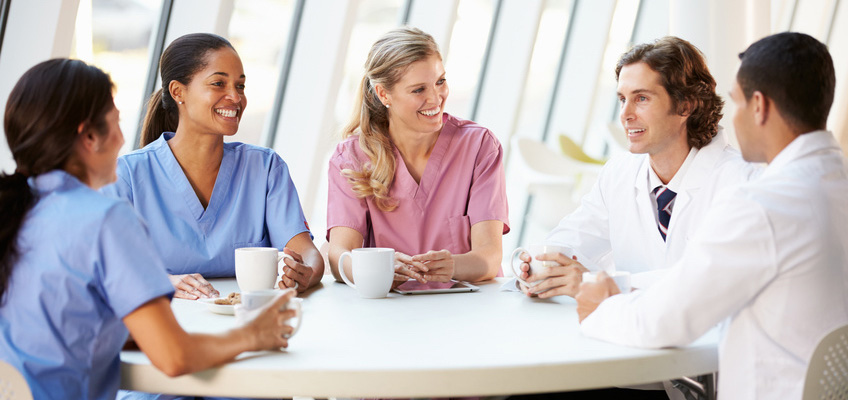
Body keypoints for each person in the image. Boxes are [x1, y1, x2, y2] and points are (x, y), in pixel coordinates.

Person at [0, 58, 298, 400]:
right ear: (90, 136)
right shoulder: (104, 218)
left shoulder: (18, 210)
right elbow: (174, 357)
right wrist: (253, 334)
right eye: (116, 123)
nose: (123, 138)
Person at [577, 32, 848, 400]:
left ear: (759, 106)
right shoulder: (834, 186)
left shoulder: (764, 204)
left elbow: (664, 323)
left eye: (735, 103)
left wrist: (599, 306)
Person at [516, 36, 758, 298]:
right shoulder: (619, 173)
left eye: (641, 98)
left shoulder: (742, 181)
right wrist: (534, 266)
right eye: (622, 99)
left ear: (685, 105)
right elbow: (572, 238)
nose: (625, 114)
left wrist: (597, 284)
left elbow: (711, 280)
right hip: (624, 331)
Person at [102, 33, 323, 299]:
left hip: (248, 320)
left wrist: (304, 272)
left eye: (240, 86)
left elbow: (306, 252)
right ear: (178, 92)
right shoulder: (126, 176)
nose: (235, 97)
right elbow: (107, 267)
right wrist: (163, 282)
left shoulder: (265, 168)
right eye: (219, 83)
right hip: (168, 324)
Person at [327, 27, 509, 287]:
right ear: (383, 94)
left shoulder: (479, 146)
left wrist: (451, 266)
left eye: (440, 81)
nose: (435, 98)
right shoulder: (351, 158)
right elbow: (339, 256)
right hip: (389, 311)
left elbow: (489, 257)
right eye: (418, 90)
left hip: (468, 310)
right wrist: (379, 270)